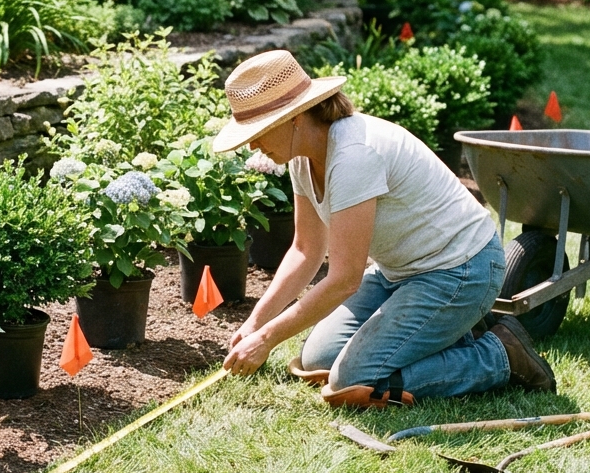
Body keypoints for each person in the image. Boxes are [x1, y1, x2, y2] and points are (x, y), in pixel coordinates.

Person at [214, 50, 555, 408]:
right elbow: (305, 250)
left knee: (352, 382)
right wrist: (256, 324)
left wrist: (267, 338)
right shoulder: (302, 158)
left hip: (463, 271)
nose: (253, 144)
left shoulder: (354, 155)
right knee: (318, 360)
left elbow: (345, 278)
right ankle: (449, 332)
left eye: (259, 131)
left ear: (295, 117)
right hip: (401, 274)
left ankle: (500, 356)